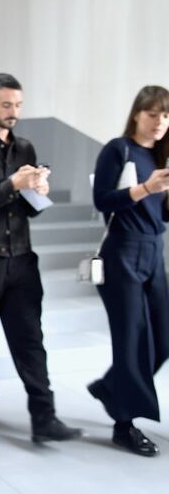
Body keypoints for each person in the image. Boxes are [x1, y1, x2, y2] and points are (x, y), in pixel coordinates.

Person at [0, 73, 82, 443]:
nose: (14, 113)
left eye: (18, 105)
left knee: (32, 341)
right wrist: (12, 185)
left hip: (22, 260)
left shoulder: (26, 148)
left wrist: (37, 191)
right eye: (6, 105)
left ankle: (45, 419)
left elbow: (29, 211)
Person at [88, 85, 169, 457]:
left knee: (163, 339)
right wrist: (143, 189)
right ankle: (124, 424)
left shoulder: (161, 156)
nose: (159, 122)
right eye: (153, 114)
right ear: (137, 113)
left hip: (154, 252)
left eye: (166, 116)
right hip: (122, 252)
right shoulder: (117, 150)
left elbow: (160, 214)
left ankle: (110, 387)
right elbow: (102, 200)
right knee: (133, 340)